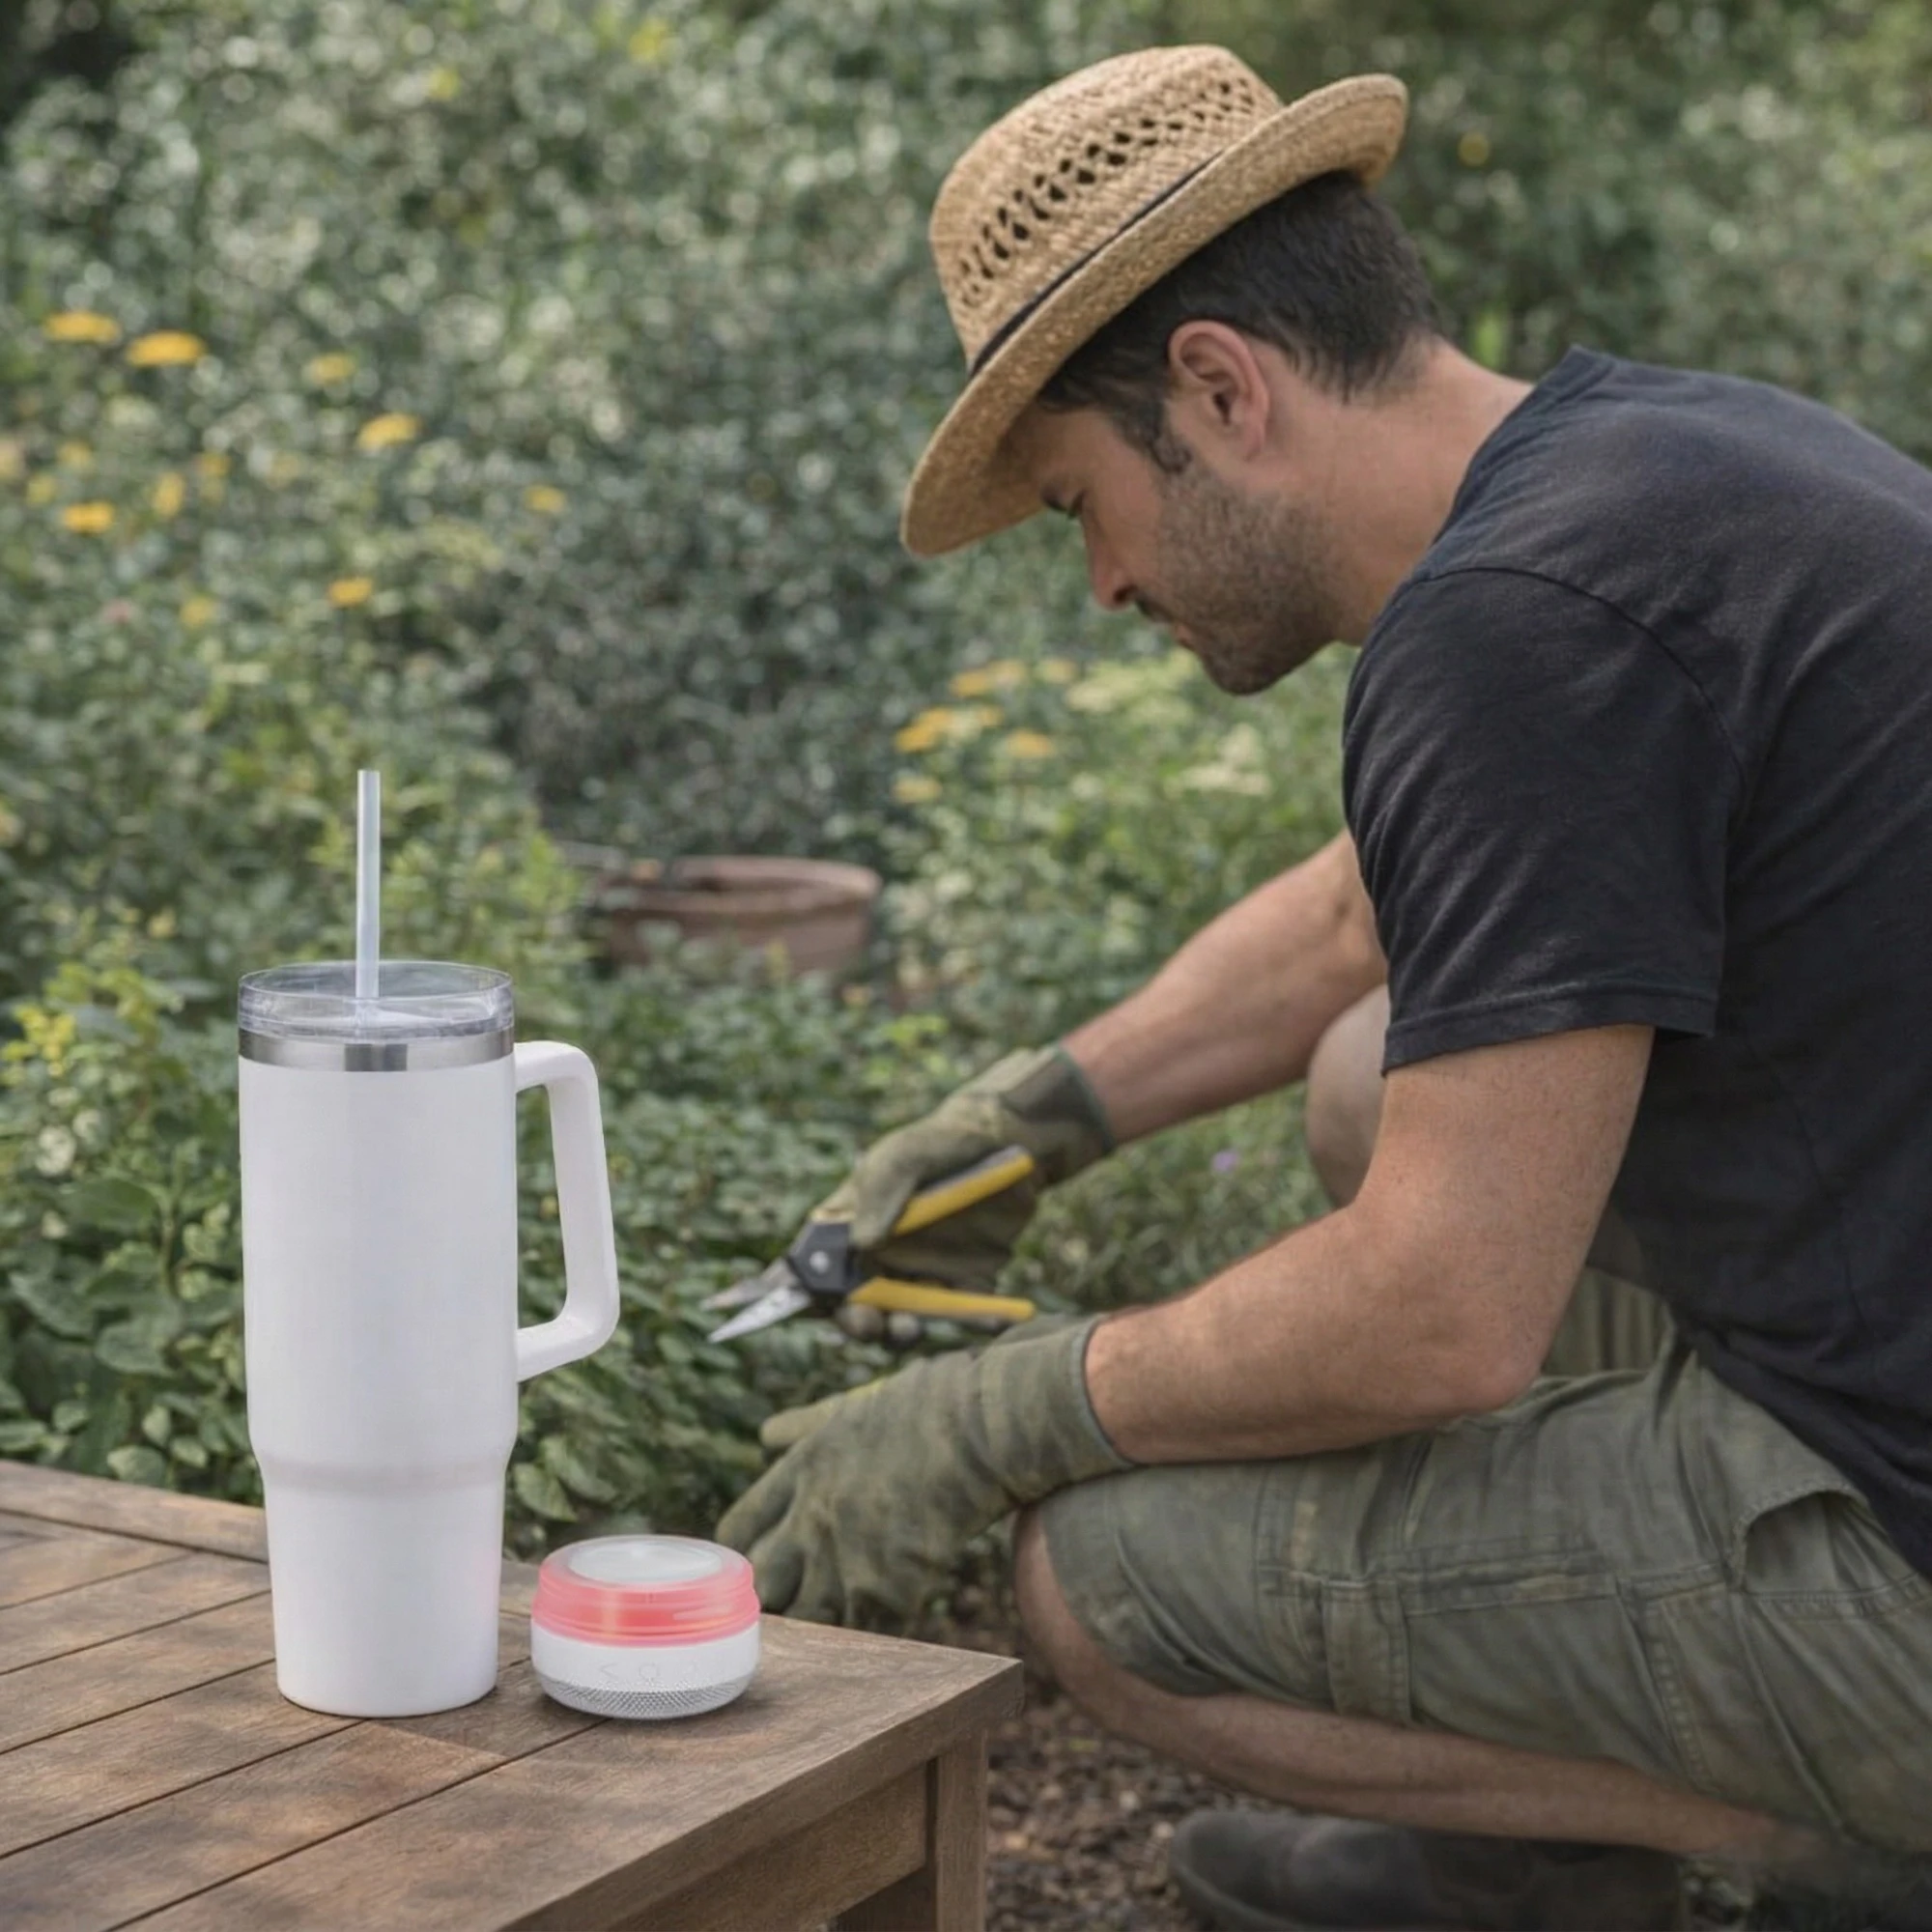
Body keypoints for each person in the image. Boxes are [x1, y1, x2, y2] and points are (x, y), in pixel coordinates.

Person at [716, 44, 1932, 1930]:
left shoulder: (1513, 638)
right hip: (1881, 1321)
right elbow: (1371, 918)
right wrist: (1031, 1117)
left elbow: (1441, 1314)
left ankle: (1845, 1847)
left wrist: (999, 1408)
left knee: (1097, 1580)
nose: (1103, 583)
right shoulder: (1644, 468)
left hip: (1904, 1540)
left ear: (1218, 386)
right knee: (1379, 1075)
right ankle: (1517, 1865)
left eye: (1075, 505)